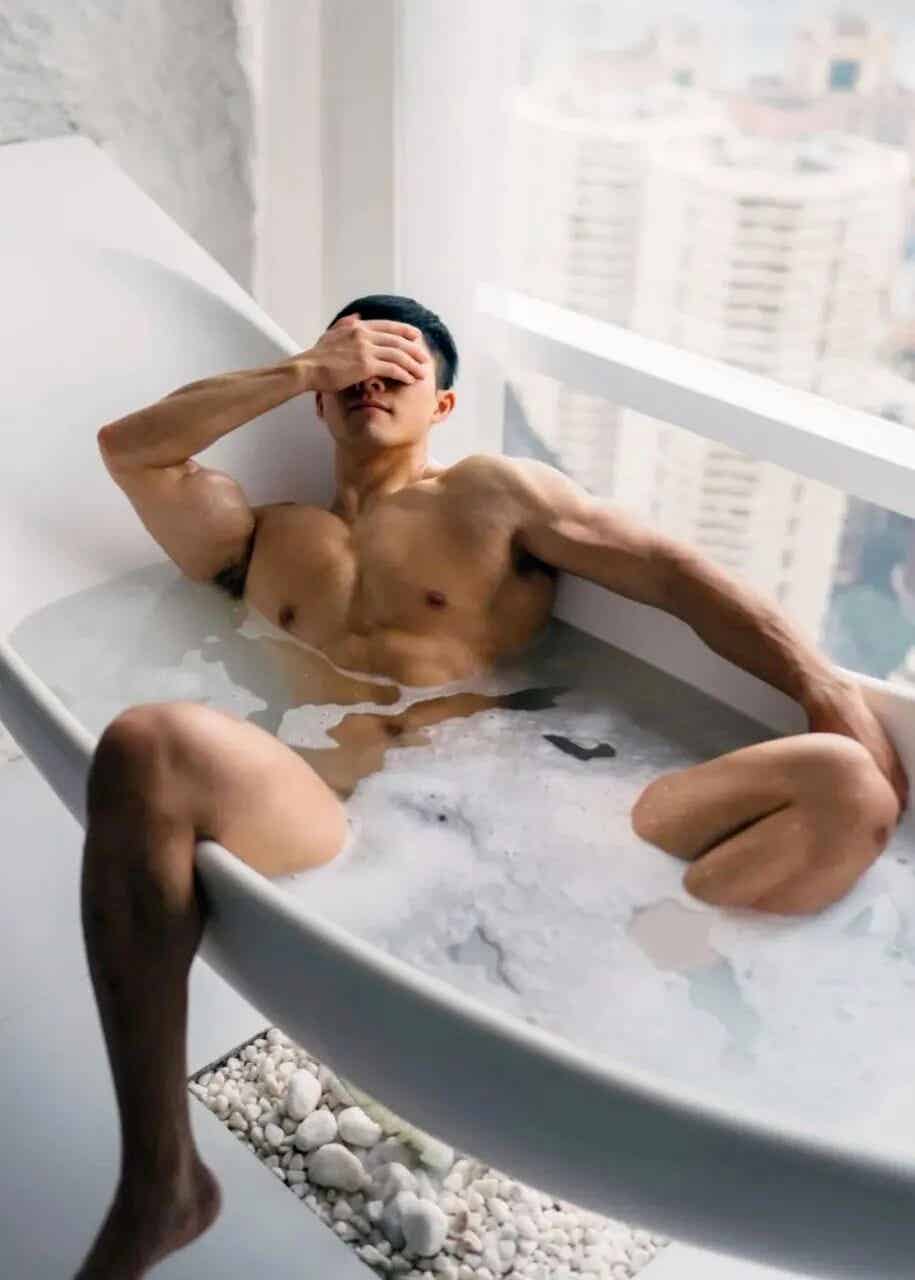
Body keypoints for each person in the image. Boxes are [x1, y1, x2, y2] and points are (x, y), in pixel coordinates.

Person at [78, 294, 908, 1277]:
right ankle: (163, 1174)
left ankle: (654, 961)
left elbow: (671, 574)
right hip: (343, 822)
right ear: (320, 397)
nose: (370, 379)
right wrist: (302, 365)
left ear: (443, 404)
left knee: (849, 785)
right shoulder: (261, 538)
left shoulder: (490, 497)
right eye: (352, 365)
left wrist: (820, 685)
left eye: (400, 366)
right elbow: (133, 452)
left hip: (532, 802)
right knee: (145, 744)